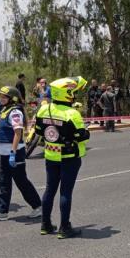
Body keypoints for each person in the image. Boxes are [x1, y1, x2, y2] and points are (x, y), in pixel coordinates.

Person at [35, 76, 89, 238]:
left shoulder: (44, 109)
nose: (74, 94)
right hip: (69, 156)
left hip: (51, 155)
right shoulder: (72, 113)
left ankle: (45, 225)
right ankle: (64, 227)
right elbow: (81, 136)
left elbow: (38, 131)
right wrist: (86, 130)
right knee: (65, 192)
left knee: (49, 190)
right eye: (72, 92)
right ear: (66, 93)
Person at [0, 86, 42, 222]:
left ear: (13, 99)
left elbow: (18, 133)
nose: (1, 99)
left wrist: (13, 152)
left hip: (14, 151)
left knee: (21, 181)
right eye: (1, 97)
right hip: (4, 151)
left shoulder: (15, 112)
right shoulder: (4, 110)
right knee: (4, 182)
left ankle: (38, 206)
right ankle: (2, 212)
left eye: (4, 97)